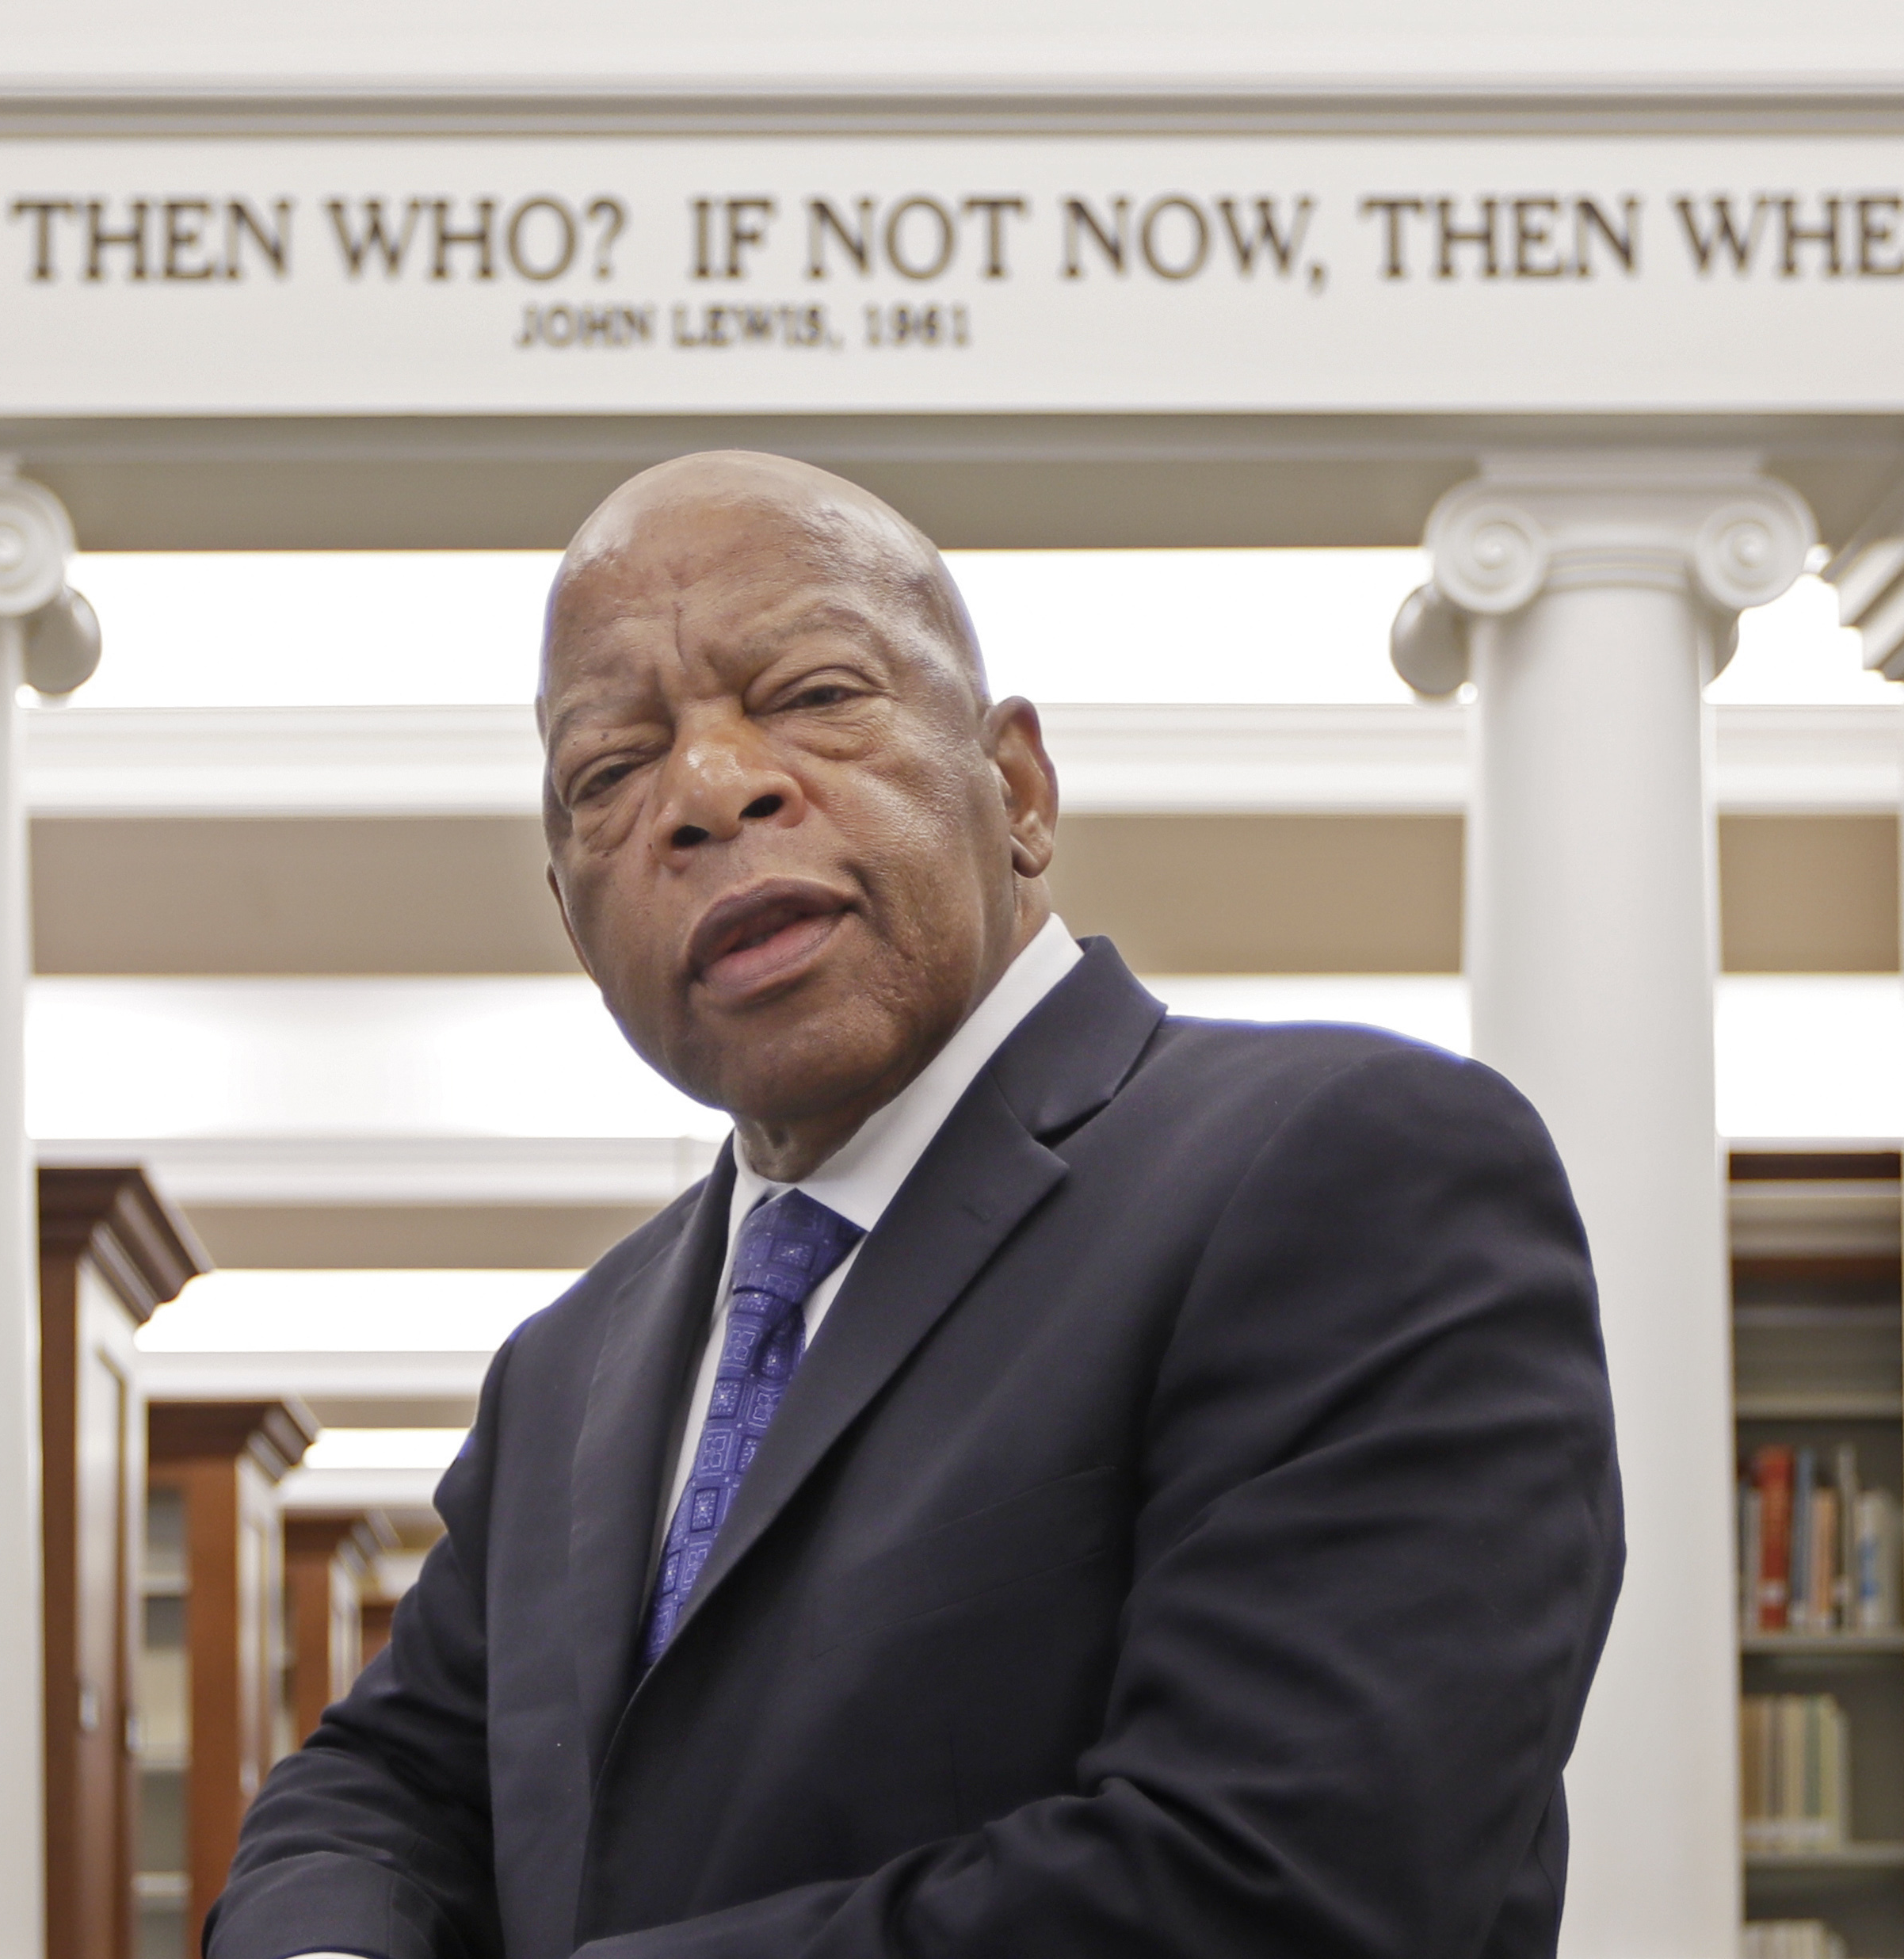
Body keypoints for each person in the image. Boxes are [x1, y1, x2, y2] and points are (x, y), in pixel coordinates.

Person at [208, 451, 1624, 1959]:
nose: (705, 791)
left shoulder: (1351, 1171)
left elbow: (1277, 1885)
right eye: (608, 775)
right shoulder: (573, 1360)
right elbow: (388, 1782)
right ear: (572, 918)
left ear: (1014, 789)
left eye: (813, 695)